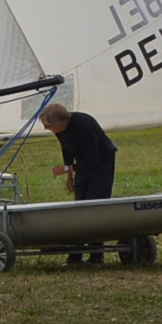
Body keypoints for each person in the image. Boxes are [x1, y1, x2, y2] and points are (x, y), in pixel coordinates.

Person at [41, 102, 116, 265]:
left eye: (48, 126)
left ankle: (96, 255)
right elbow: (66, 149)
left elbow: (93, 159)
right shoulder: (61, 130)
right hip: (83, 164)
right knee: (79, 207)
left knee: (94, 206)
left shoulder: (84, 125)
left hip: (101, 163)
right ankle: (75, 254)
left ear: (60, 124)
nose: (46, 129)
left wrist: (67, 169)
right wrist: (69, 175)